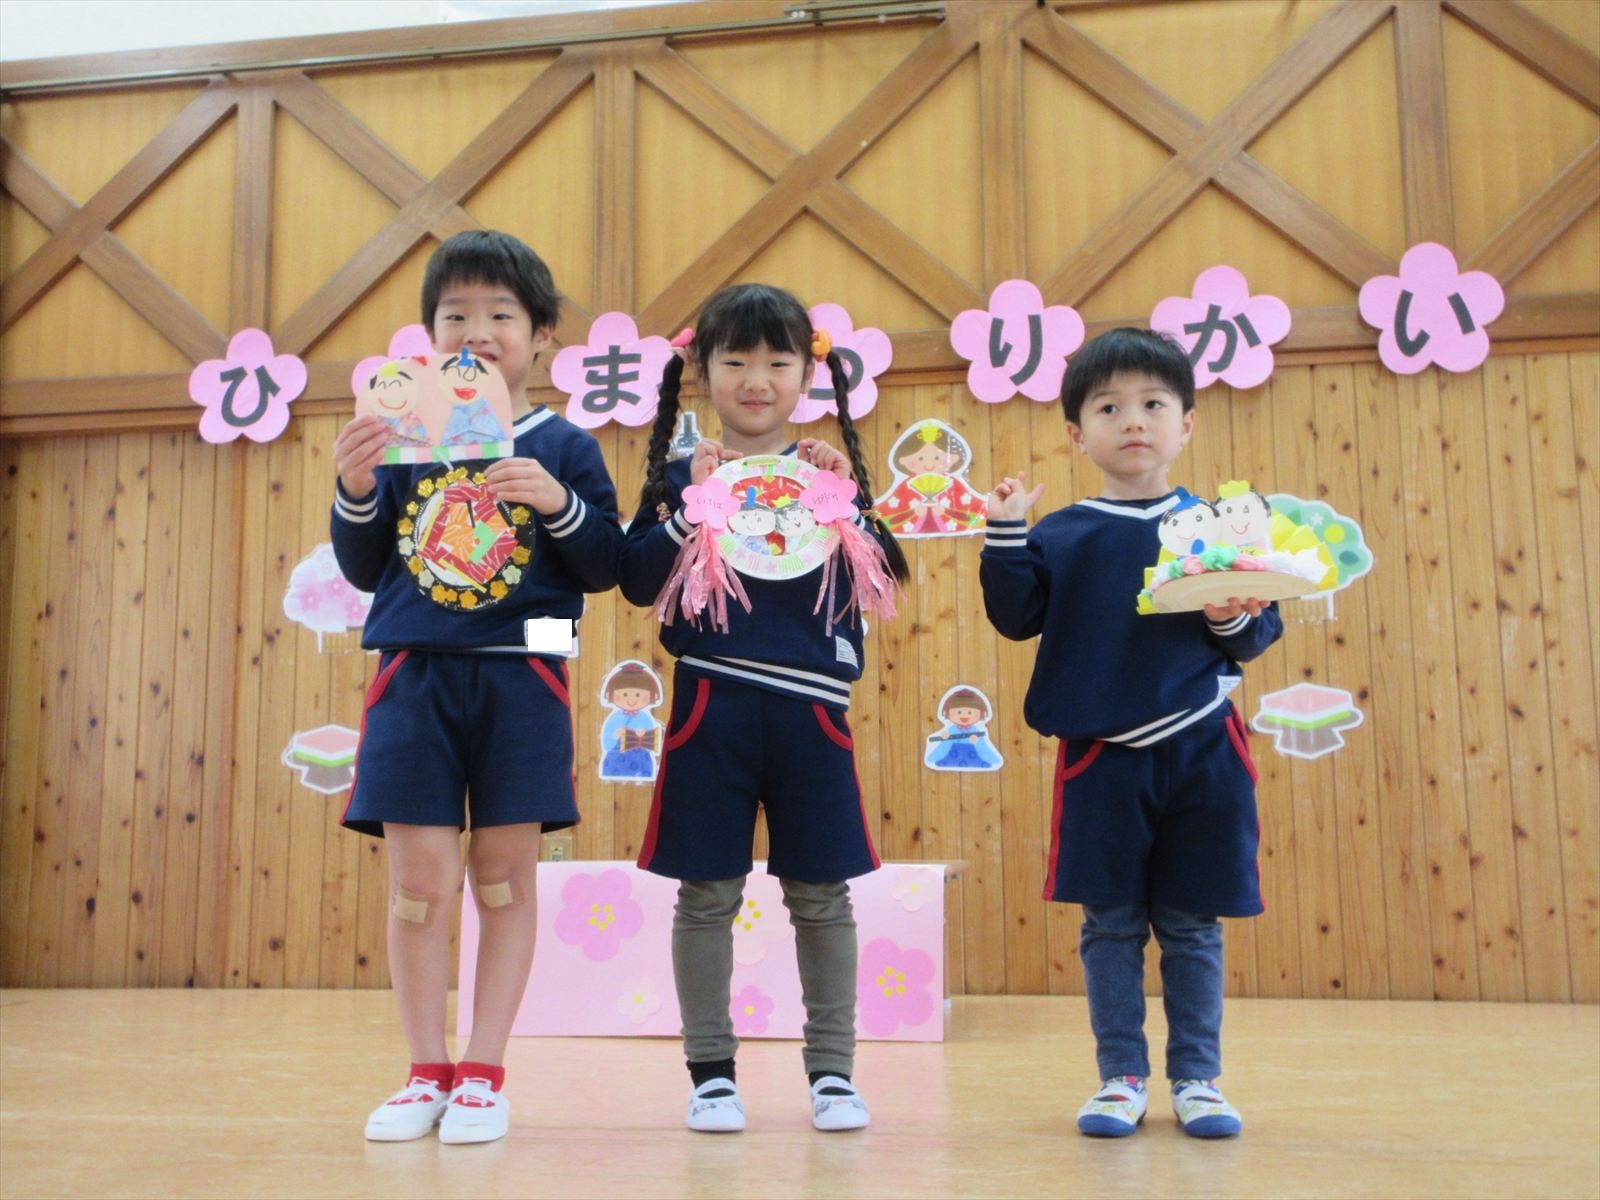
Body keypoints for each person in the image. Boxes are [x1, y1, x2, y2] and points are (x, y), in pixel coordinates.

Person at [330, 230, 623, 1144]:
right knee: (418, 882)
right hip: (411, 677)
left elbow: (606, 565)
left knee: (503, 880)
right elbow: (365, 565)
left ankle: (485, 1073)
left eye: (501, 313)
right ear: (430, 336)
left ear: (541, 336)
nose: (477, 330)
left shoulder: (565, 445)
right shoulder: (405, 435)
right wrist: (355, 486)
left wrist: (558, 503)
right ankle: (425, 1071)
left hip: (522, 682)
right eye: (455, 314)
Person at [618, 283, 908, 1134]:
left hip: (813, 713)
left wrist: (844, 501)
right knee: (706, 895)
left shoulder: (824, 477)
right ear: (702, 371)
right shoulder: (679, 477)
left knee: (822, 896)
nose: (756, 379)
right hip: (710, 704)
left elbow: (886, 575)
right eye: (735, 360)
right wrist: (691, 506)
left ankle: (834, 1075)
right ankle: (711, 1076)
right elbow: (634, 578)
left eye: (778, 361)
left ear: (806, 375)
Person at [980, 327, 1282, 1140]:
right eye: (1109, 408)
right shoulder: (1060, 532)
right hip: (1101, 759)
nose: (1134, 420)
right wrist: (1005, 532)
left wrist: (1229, 614)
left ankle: (1198, 1079)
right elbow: (1015, 617)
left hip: (1204, 747)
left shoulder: (1221, 524)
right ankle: (1120, 1078)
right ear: (1077, 434)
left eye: (1153, 403)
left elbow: (1257, 633)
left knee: (1192, 924)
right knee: (1110, 925)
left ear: (1187, 423)